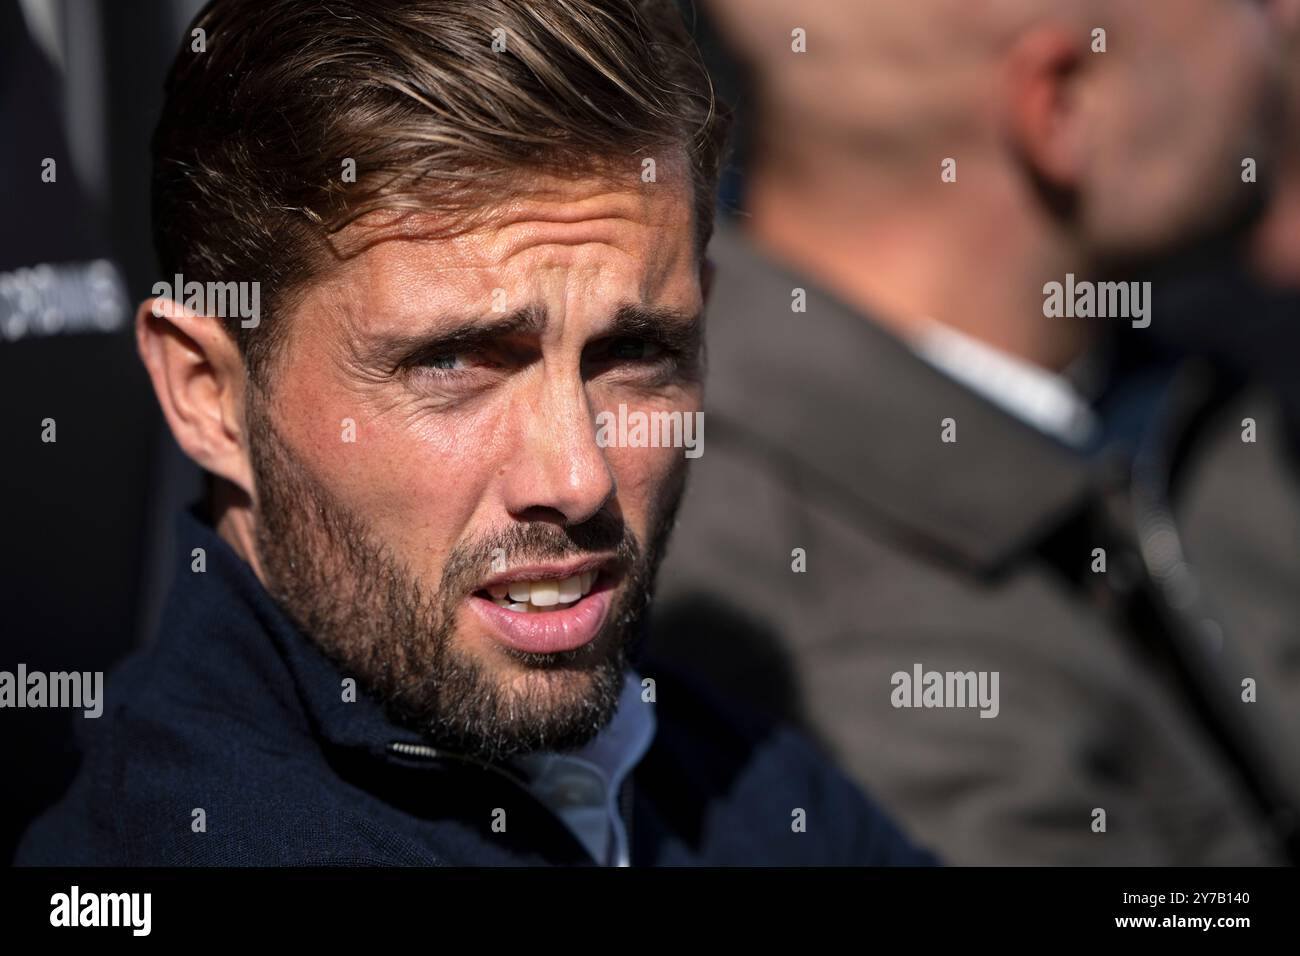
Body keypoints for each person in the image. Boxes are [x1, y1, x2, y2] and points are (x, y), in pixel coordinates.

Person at [14, 0, 933, 867]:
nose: (577, 477)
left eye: (636, 352)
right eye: (454, 364)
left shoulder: (726, 770)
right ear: (208, 393)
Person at [649, 0, 1300, 864]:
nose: (1288, 21)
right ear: (1063, 108)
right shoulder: (833, 667)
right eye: (1248, 5)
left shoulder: (1178, 386)